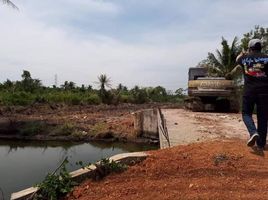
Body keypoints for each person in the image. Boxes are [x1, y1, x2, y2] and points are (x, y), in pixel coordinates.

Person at [232, 39, 268, 149]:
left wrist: (243, 53)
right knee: (263, 117)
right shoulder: (267, 58)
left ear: (250, 47)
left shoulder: (244, 58)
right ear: (260, 47)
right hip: (265, 91)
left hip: (250, 90)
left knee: (246, 113)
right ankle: (261, 144)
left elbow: (237, 59)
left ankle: (253, 132)